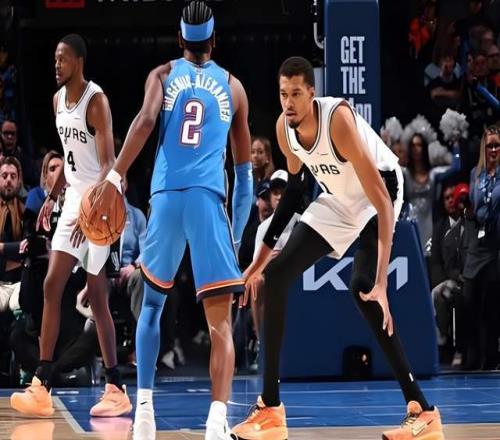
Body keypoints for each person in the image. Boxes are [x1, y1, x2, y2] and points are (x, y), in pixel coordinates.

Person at [233, 56, 444, 440]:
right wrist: (257, 264)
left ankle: (422, 410)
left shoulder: (337, 121)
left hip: (379, 193)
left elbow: (382, 200)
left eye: (296, 94)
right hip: (339, 198)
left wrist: (381, 282)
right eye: (283, 94)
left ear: (312, 93)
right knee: (275, 276)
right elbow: (294, 195)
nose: (289, 102)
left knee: (362, 288)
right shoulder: (284, 129)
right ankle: (271, 410)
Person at [88, 2, 252, 439]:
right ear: (214, 40)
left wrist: (114, 176)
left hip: (164, 197)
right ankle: (216, 423)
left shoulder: (161, 75)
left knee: (151, 307)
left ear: (179, 39)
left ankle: (144, 414)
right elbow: (245, 176)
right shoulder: (234, 88)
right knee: (220, 323)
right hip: (207, 200)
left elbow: (144, 122)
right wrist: (235, 238)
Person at [10, 34, 132, 418]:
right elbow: (69, 156)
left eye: (62, 59)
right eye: (54, 58)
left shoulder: (96, 101)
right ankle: (41, 383)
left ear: (78, 62)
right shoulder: (56, 100)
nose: (56, 64)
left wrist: (89, 212)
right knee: (52, 283)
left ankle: (115, 386)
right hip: (75, 197)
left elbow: (109, 164)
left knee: (97, 296)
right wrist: (52, 196)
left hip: (101, 201)